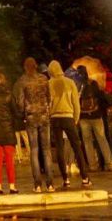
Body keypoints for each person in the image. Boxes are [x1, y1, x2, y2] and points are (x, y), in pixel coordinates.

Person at [47, 60, 91, 190]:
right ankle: (85, 177)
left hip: (55, 118)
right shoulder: (70, 82)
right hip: (68, 117)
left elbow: (48, 103)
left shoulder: (49, 84)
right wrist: (75, 118)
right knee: (76, 147)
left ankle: (65, 179)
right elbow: (76, 103)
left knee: (59, 148)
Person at [14, 58, 52, 192]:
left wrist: (22, 114)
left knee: (34, 150)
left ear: (25, 67)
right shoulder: (44, 79)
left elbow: (20, 102)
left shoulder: (22, 81)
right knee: (46, 150)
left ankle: (37, 184)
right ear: (36, 66)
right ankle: (50, 184)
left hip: (30, 118)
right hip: (44, 116)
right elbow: (49, 98)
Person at [77, 67, 112, 173]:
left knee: (87, 142)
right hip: (96, 115)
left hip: (83, 117)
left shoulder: (78, 85)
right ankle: (110, 164)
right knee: (102, 140)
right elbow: (100, 97)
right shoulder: (93, 83)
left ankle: (93, 166)